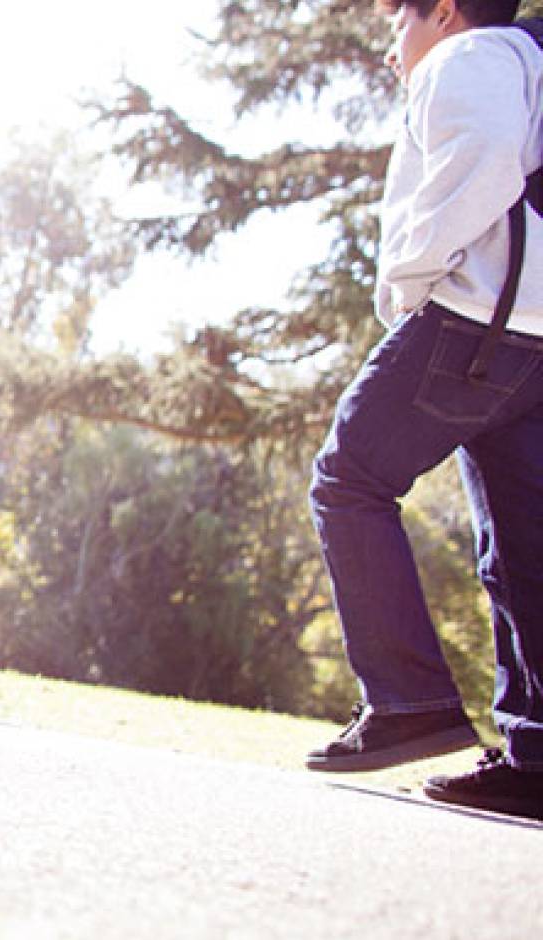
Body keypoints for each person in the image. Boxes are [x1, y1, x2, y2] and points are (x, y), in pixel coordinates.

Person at [306, 0, 543, 822]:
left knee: (349, 480)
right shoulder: (533, 64)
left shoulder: (468, 56)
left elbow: (482, 158)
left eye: (398, 21)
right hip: (537, 345)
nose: (391, 44)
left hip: (473, 324)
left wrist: (407, 283)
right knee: (521, 551)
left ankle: (409, 703)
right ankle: (536, 756)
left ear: (443, 11)